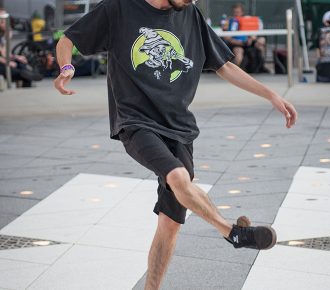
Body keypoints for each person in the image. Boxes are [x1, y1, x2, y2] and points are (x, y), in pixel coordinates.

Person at [54, 1, 297, 289]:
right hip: (136, 122)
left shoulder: (190, 13)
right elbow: (68, 39)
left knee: (170, 224)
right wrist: (67, 66)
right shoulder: (119, 8)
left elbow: (224, 65)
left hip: (179, 128)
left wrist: (271, 95)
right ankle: (232, 232)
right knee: (178, 176)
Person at [0, 7, 43, 87]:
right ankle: (28, 77)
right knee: (19, 71)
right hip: (1, 64)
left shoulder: (3, 35)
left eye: (6, 19)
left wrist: (16, 57)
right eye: (2, 20)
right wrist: (9, 62)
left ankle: (29, 76)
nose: (5, 22)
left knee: (21, 62)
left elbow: (4, 53)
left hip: (4, 61)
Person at [222, 3, 267, 73]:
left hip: (248, 41)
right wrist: (240, 42)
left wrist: (251, 39)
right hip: (236, 44)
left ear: (242, 12)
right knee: (238, 52)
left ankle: (261, 66)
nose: (236, 14)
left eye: (238, 12)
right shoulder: (228, 21)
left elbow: (253, 34)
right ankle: (237, 72)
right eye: (234, 12)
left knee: (261, 42)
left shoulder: (247, 20)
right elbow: (226, 38)